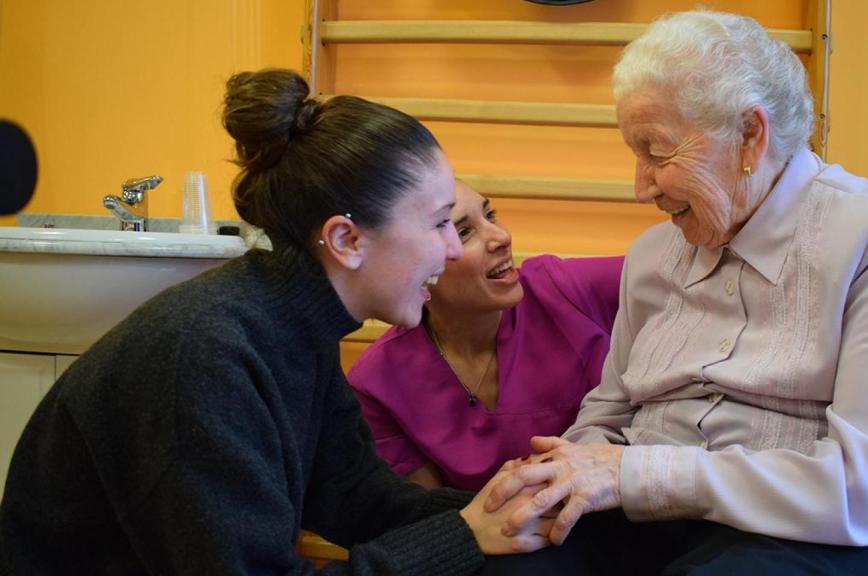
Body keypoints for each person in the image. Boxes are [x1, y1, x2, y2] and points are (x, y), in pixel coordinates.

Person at [0, 69, 552, 575]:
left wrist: (506, 510)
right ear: (347, 240)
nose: (453, 250)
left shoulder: (295, 325)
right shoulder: (207, 356)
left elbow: (354, 494)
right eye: (439, 224)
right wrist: (460, 535)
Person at [484, 10, 868, 575]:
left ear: (749, 136)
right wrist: (569, 472)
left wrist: (638, 474)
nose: (641, 188)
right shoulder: (652, 256)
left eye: (657, 152)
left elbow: (867, 491)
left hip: (852, 527)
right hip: (658, 516)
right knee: (507, 559)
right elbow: (610, 411)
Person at [349, 180, 623, 491]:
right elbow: (428, 510)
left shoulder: (562, 289)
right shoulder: (378, 383)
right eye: (464, 232)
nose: (502, 237)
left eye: (490, 215)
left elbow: (669, 272)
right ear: (412, 266)